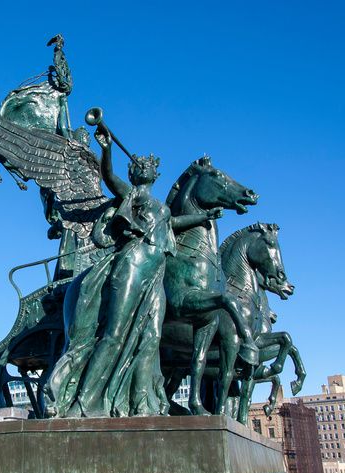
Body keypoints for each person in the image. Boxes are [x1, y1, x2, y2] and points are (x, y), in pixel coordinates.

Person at [45, 128, 222, 417]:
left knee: (151, 339)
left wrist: (204, 217)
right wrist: (106, 149)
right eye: (140, 166)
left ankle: (142, 404)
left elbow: (172, 223)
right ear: (134, 173)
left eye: (149, 167)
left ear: (155, 174)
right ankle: (83, 402)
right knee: (114, 335)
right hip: (133, 264)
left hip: (155, 273)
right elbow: (109, 177)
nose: (146, 169)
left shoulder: (159, 206)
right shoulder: (131, 195)